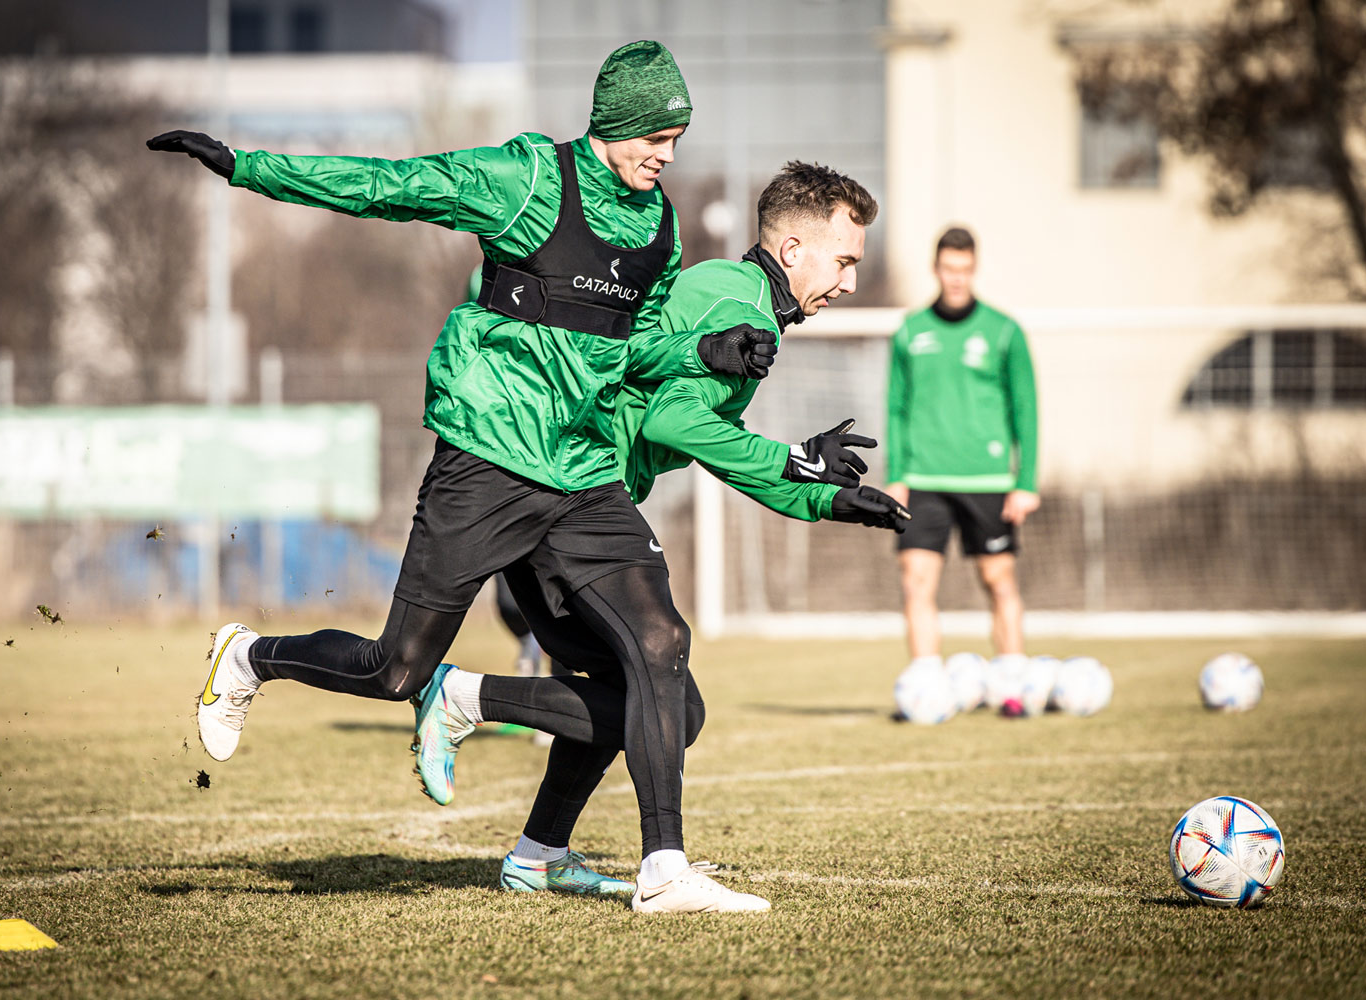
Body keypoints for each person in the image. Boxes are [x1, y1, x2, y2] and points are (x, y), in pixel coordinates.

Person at [151, 41, 776, 914]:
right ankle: (252, 656)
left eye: (676, 138)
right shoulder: (523, 180)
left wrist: (703, 349)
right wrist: (248, 167)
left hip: (583, 472)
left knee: (661, 650)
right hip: (485, 459)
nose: (667, 155)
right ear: (617, 124)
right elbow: (387, 186)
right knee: (395, 671)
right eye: (657, 137)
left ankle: (664, 868)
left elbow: (629, 348)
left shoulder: (660, 228)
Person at [414, 161, 909, 912]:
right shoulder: (734, 301)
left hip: (574, 497)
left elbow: (709, 432)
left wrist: (825, 501)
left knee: (652, 697)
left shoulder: (740, 300)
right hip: (564, 497)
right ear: (792, 249)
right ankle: (471, 705)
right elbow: (674, 422)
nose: (847, 281)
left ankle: (537, 855)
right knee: (661, 676)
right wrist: (799, 461)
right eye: (843, 260)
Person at [884, 226, 1039, 669]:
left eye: (965, 270)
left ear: (974, 269)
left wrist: (1025, 481)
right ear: (936, 268)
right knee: (916, 581)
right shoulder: (910, 331)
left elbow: (1026, 410)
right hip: (922, 479)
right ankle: (925, 683)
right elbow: (895, 408)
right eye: (949, 269)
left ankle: (1013, 680)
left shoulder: (1004, 331)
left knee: (999, 579)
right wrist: (896, 476)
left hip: (987, 478)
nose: (956, 278)